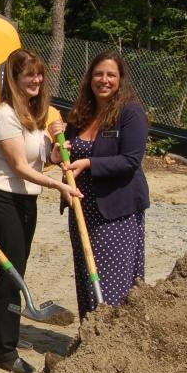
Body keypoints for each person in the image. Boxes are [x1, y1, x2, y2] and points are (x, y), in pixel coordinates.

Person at [0, 49, 81, 373]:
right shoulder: (4, 115)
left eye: (39, 74)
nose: (36, 80)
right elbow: (20, 167)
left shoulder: (35, 117)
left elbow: (44, 159)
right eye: (29, 75)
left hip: (27, 200)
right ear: (15, 78)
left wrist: (56, 145)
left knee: (12, 267)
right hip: (2, 197)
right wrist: (60, 187)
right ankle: (6, 352)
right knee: (13, 272)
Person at [52, 50, 149, 317]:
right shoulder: (81, 113)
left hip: (116, 211)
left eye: (110, 75)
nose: (103, 80)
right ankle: (89, 339)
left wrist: (89, 164)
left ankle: (110, 341)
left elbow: (131, 160)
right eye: (98, 74)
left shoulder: (130, 113)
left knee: (110, 281)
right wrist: (58, 153)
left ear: (120, 79)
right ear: (89, 78)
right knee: (86, 275)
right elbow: (68, 154)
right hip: (83, 209)